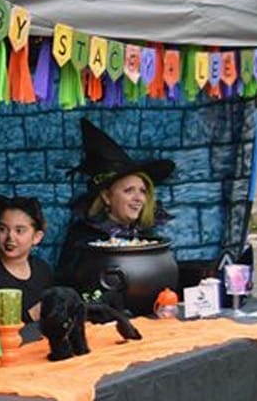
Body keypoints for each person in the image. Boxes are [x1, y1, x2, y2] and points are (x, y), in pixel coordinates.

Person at [55, 118, 176, 284]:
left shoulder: (148, 236)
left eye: (143, 191)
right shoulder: (82, 237)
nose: (139, 198)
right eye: (129, 190)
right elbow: (67, 283)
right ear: (106, 196)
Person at [0, 195, 52, 327]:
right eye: (3, 229)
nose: (10, 237)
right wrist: (32, 315)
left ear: (36, 237)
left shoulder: (43, 270)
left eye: (19, 231)